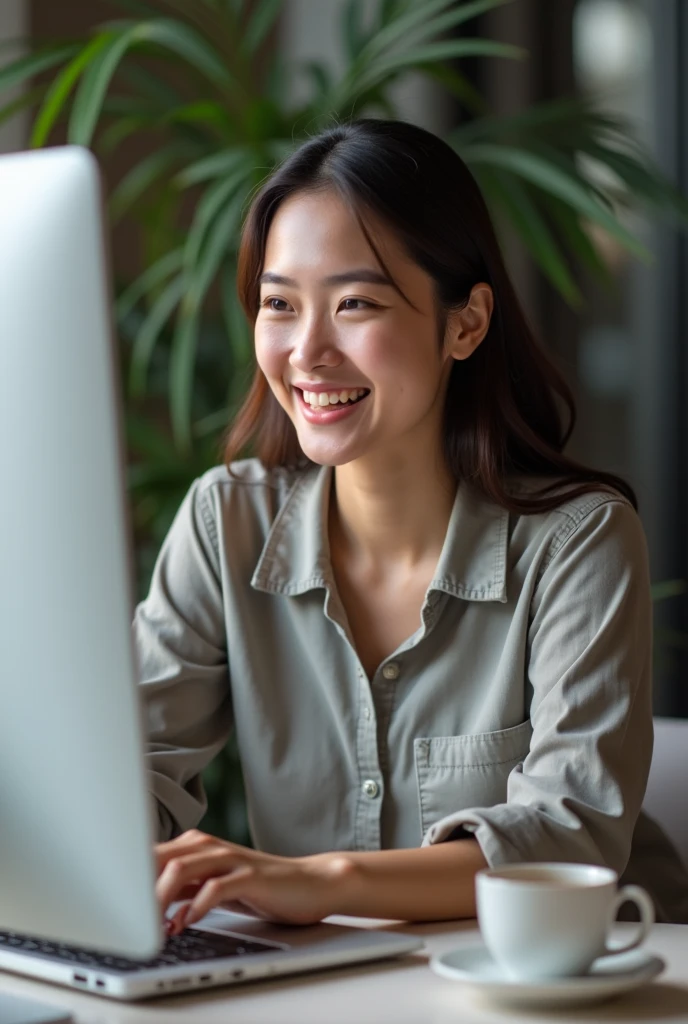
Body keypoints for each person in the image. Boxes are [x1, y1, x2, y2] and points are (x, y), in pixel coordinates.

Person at [138, 118, 688, 936]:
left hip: (575, 980)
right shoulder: (226, 523)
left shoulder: (580, 543)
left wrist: (321, 880)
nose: (307, 351)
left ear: (465, 324)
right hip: (328, 988)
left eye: (355, 303)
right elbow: (130, 775)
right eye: (279, 305)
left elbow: (569, 837)